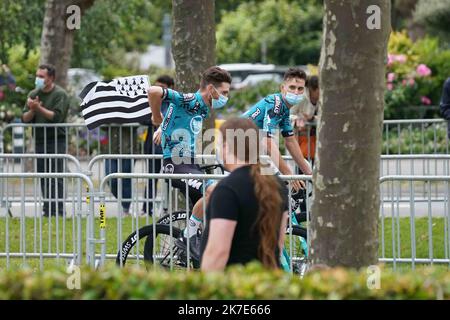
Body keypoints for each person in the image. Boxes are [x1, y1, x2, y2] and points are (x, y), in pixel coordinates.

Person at [148, 66, 232, 258]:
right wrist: (156, 117)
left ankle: (195, 253)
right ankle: (188, 236)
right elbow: (153, 91)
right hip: (176, 166)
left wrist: (163, 127)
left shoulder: (203, 107)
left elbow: (174, 110)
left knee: (216, 201)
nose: (226, 97)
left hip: (190, 164)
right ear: (211, 89)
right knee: (213, 190)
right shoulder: (190, 99)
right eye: (224, 92)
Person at [200, 117, 289, 271]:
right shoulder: (277, 185)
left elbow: (218, 252)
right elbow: (279, 244)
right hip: (268, 282)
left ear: (226, 147)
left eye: (219, 144)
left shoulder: (227, 189)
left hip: (235, 285)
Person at [242, 67, 312, 188]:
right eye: (292, 87)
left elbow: (290, 141)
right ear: (282, 88)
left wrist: (310, 174)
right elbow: (267, 142)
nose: (296, 92)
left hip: (246, 148)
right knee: (277, 189)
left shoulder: (284, 110)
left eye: (300, 88)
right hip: (233, 144)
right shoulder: (276, 104)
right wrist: (290, 176)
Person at [21, 64, 69, 217]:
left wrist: (38, 108)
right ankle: (47, 209)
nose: (38, 79)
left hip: (56, 140)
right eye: (37, 76)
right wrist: (32, 109)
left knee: (56, 176)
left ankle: (58, 210)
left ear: (51, 78)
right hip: (40, 140)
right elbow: (25, 118)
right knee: (44, 176)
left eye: (42, 76)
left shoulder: (60, 94)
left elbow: (56, 117)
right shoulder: (34, 93)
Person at [141, 75, 174, 216]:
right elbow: (143, 119)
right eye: (157, 86)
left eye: (163, 87)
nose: (159, 90)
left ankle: (168, 208)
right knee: (151, 178)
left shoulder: (174, 102)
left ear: (170, 87)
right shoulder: (152, 102)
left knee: (170, 180)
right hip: (153, 148)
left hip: (170, 148)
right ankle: (147, 209)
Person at [290, 75, 320, 168]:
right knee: (301, 169)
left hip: (315, 141)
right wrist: (298, 118)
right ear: (314, 89)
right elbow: (289, 114)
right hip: (300, 140)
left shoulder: (322, 100)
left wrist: (311, 119)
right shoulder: (300, 98)